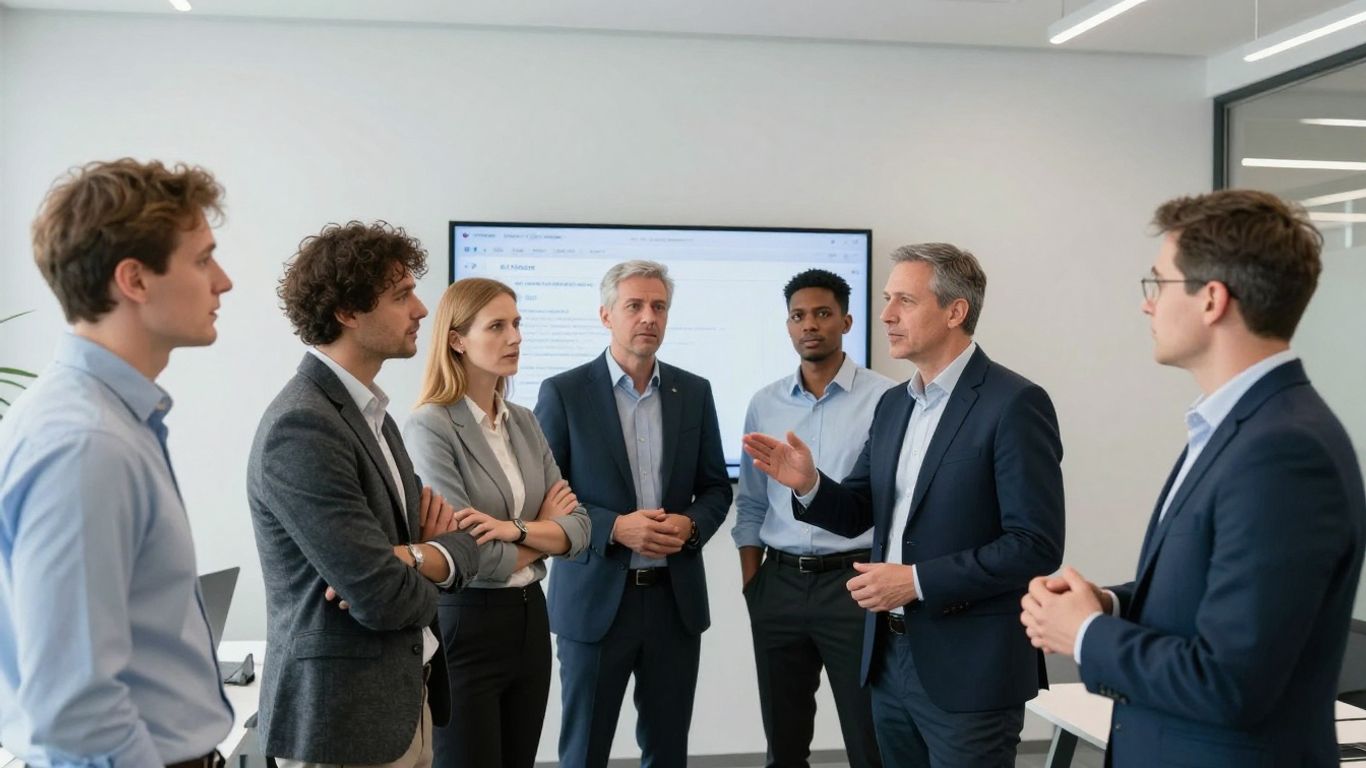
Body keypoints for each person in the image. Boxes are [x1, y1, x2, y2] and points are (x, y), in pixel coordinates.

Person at [1020, 190, 1366, 767]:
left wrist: (1084, 635)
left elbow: (1231, 681)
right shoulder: (1236, 426)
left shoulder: (1284, 451)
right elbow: (1206, 599)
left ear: (1211, 300)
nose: (1147, 305)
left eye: (1158, 283)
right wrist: (1107, 605)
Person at [744, 243, 1064, 768]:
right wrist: (809, 485)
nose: (887, 314)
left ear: (955, 311)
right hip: (887, 660)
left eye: (905, 301)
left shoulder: (1014, 403)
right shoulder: (894, 404)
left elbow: (1034, 546)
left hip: (969, 668)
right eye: (888, 299)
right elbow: (859, 509)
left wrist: (915, 581)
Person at [0, 159, 235, 767]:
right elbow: (75, 712)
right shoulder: (87, 444)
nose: (224, 281)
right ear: (134, 279)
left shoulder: (110, 421)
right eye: (203, 259)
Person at [248, 221, 479, 768]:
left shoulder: (374, 415)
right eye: (402, 296)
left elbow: (462, 537)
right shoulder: (302, 427)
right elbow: (378, 596)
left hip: (403, 703)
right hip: (343, 722)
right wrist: (424, 561)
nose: (422, 310)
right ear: (347, 312)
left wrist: (418, 556)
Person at [534, 260, 732, 768]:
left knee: (668, 752)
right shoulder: (564, 392)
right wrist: (614, 527)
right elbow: (545, 493)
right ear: (606, 316)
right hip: (596, 601)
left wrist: (692, 526)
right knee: (584, 751)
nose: (648, 317)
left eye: (659, 306)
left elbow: (714, 487)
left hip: (674, 602)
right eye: (635, 306)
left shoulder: (695, 391)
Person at [403, 277, 591, 768]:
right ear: (457, 339)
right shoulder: (430, 425)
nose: (516, 337)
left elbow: (581, 527)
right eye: (498, 326)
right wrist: (544, 531)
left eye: (518, 324)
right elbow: (470, 553)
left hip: (530, 616)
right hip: (466, 620)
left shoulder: (524, 421)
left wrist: (515, 530)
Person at [732, 269, 891, 768]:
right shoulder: (765, 403)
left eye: (822, 314)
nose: (810, 325)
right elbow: (753, 501)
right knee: (784, 741)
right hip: (777, 584)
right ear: (787, 326)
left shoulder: (887, 399)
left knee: (869, 737)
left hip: (854, 584)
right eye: (799, 316)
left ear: (845, 320)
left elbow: (890, 499)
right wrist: (753, 580)